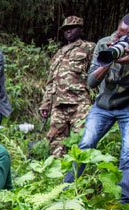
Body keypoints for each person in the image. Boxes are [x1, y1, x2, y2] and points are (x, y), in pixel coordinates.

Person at [63, 12, 129, 204]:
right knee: (86, 144)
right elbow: (91, 82)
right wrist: (108, 59)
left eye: (128, 35)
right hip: (103, 105)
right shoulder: (105, 43)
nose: (120, 37)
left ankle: (125, 200)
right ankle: (66, 188)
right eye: (119, 32)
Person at [40, 16, 95, 157]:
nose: (68, 31)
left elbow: (98, 73)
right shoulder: (59, 53)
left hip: (80, 102)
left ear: (81, 30)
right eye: (65, 29)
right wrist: (46, 103)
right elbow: (51, 81)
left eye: (72, 28)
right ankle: (58, 172)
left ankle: (79, 172)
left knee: (82, 138)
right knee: (55, 140)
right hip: (58, 103)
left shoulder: (89, 48)